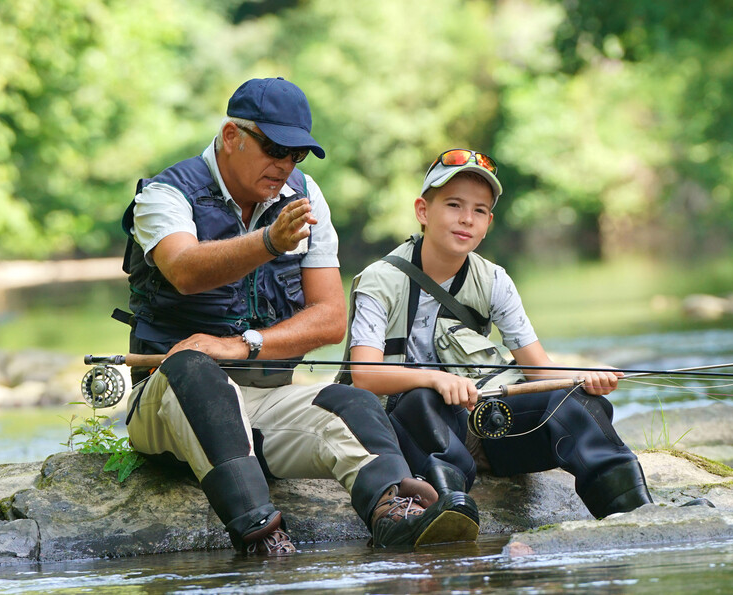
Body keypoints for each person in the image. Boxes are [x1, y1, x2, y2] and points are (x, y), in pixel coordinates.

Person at [116, 78, 477, 555]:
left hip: (267, 403)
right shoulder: (164, 195)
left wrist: (244, 345)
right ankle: (265, 538)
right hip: (168, 401)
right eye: (273, 148)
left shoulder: (305, 196)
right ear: (230, 136)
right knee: (194, 371)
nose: (284, 164)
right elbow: (183, 270)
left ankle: (394, 513)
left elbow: (330, 319)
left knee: (351, 402)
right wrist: (269, 243)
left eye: (296, 154)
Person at [340, 148, 653, 529]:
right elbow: (365, 375)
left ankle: (634, 512)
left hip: (481, 426)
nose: (466, 219)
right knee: (423, 399)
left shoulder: (494, 280)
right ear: (423, 211)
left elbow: (538, 371)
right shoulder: (378, 279)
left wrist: (582, 379)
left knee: (575, 401)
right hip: (404, 429)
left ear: (488, 222)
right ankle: (447, 510)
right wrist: (437, 378)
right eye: (454, 205)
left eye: (479, 210)